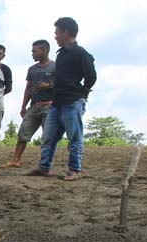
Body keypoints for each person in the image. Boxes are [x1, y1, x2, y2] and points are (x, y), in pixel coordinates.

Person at [25, 17, 96, 181]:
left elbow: (91, 77)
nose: (55, 36)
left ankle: (75, 170)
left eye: (57, 33)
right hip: (57, 102)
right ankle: (43, 167)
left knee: (74, 137)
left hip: (72, 102)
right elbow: (62, 79)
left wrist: (82, 94)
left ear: (66, 32)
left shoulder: (80, 53)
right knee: (48, 138)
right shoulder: (62, 54)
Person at [2, 40, 55, 168]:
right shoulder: (32, 69)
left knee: (47, 136)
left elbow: (62, 85)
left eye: (35, 51)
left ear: (45, 50)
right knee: (23, 132)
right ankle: (16, 159)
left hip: (50, 105)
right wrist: (23, 106)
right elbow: (28, 88)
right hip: (34, 105)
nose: (32, 54)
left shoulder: (55, 67)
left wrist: (48, 86)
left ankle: (44, 163)